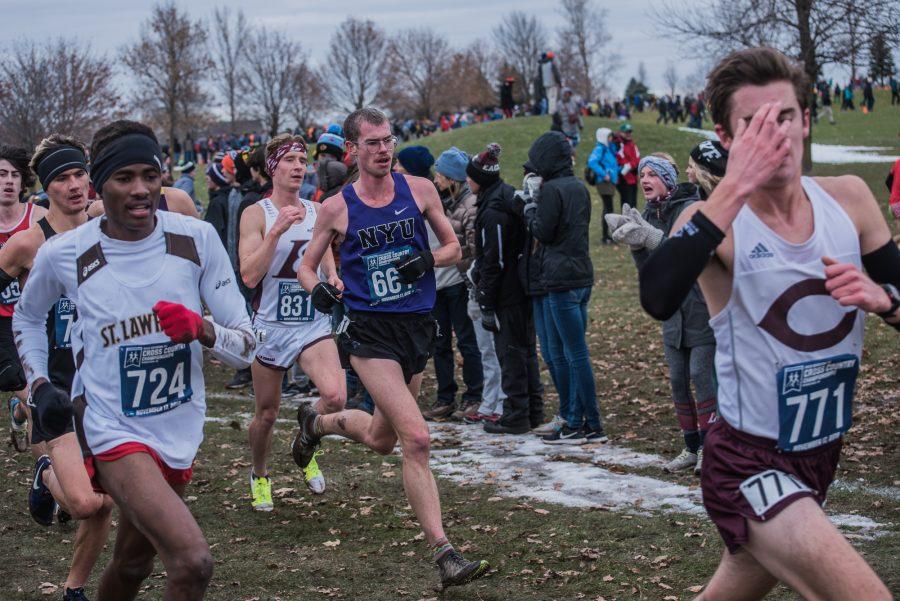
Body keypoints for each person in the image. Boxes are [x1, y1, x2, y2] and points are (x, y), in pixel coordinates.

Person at [638, 47, 896, 600]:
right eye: (752, 126)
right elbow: (657, 294)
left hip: (821, 452)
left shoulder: (849, 200)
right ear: (726, 138)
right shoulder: (715, 221)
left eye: (783, 117)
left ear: (805, 119)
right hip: (745, 463)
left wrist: (884, 298)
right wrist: (734, 185)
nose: (774, 135)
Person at [14, 120, 257, 600]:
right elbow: (25, 319)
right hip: (110, 427)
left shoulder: (196, 238)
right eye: (125, 177)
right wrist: (39, 386)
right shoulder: (66, 253)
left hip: (179, 430)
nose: (141, 189)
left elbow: (249, 345)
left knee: (131, 564)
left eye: (151, 174)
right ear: (98, 183)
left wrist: (203, 330)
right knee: (192, 562)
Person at [294, 107, 489, 589]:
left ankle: (316, 423)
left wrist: (424, 261)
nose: (384, 150)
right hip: (370, 334)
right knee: (416, 438)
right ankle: (445, 553)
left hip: (416, 328)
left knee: (383, 440)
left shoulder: (419, 190)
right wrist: (317, 289)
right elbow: (306, 265)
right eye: (373, 143)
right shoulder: (337, 206)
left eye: (388, 141)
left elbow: (454, 249)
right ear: (354, 151)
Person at [0, 135, 115, 601]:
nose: (74, 186)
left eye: (78, 175)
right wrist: (25, 369)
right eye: (61, 179)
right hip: (53, 382)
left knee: (106, 500)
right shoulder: (29, 243)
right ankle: (45, 469)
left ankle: (74, 590)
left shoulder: (109, 227)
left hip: (106, 381)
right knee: (87, 502)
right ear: (44, 188)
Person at [240, 134, 346, 508]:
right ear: (273, 168)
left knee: (335, 396)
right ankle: (260, 473)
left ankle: (305, 439)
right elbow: (249, 275)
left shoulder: (318, 211)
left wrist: (332, 279)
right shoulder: (257, 213)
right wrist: (277, 232)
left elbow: (325, 263)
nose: (299, 167)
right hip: (271, 326)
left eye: (303, 160)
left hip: (311, 324)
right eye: (291, 160)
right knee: (266, 414)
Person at [607, 152, 716, 473]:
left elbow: (690, 256)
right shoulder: (647, 214)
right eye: (642, 175)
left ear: (668, 180)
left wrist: (654, 238)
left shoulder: (690, 208)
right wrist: (636, 245)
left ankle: (714, 447)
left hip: (700, 307)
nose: (644, 181)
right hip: (672, 313)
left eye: (652, 174)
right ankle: (691, 447)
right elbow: (649, 271)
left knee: (701, 375)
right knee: (678, 380)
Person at [521, 132, 605, 445]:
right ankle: (576, 417)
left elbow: (543, 231)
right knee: (572, 351)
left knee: (574, 353)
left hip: (560, 278)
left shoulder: (552, 191)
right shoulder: (579, 187)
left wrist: (530, 206)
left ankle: (588, 422)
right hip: (582, 276)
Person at [468, 143, 544, 435]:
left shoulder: (494, 209)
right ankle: (532, 409)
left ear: (481, 179)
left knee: (511, 351)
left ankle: (517, 413)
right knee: (524, 350)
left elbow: (494, 258)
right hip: (519, 286)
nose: (467, 181)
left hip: (508, 291)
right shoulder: (502, 196)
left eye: (470, 176)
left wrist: (486, 298)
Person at [417, 147, 483, 422]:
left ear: (453, 179)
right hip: (437, 285)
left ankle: (474, 394)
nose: (436, 180)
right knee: (440, 342)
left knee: (467, 341)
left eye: (441, 176)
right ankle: (446, 396)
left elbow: (470, 247)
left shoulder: (466, 205)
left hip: (457, 283)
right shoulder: (436, 201)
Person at [0, 145, 46, 449]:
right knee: (28, 392)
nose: (8, 181)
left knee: (41, 397)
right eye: (2, 174)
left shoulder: (38, 217)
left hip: (35, 318)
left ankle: (47, 470)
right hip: (1, 321)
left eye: (15, 175)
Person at [587, 127, 620, 244]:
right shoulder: (599, 148)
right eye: (609, 136)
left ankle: (607, 236)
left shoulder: (608, 148)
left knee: (609, 208)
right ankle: (605, 237)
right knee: (608, 209)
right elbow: (592, 162)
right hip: (604, 182)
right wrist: (604, 174)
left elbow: (612, 164)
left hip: (609, 182)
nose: (611, 138)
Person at [316, 132, 349, 200]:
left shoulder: (345, 184)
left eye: (331, 157)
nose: (325, 160)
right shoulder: (315, 176)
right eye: (322, 155)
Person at [615, 123, 640, 212]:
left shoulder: (632, 144)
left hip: (633, 177)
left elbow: (638, 158)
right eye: (626, 132)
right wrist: (630, 165)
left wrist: (631, 165)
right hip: (623, 178)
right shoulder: (618, 144)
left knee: (633, 203)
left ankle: (634, 223)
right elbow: (621, 160)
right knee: (626, 204)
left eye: (629, 132)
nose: (628, 134)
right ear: (620, 132)